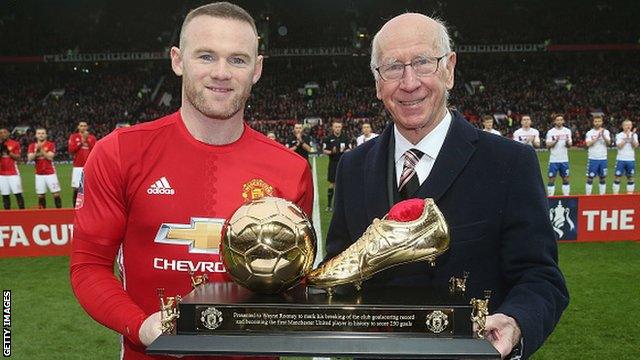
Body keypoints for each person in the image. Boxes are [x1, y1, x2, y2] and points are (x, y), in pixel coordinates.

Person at [70, 3, 313, 360]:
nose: (221, 72)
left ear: (257, 69)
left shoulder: (291, 169)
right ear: (177, 60)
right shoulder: (119, 152)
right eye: (205, 56)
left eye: (238, 60)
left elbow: (296, 283)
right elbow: (88, 266)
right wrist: (141, 326)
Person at [323, 13, 568, 359]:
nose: (409, 83)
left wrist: (515, 323)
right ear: (378, 83)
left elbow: (541, 277)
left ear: (449, 69)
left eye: (423, 63)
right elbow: (340, 271)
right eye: (393, 67)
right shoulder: (353, 167)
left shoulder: (509, 163)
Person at [27, 128, 62, 208]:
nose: (41, 135)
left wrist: (41, 149)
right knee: (40, 195)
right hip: (39, 174)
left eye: (43, 133)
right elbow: (30, 158)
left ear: (46, 135)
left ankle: (59, 213)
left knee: (56, 194)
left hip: (50, 173)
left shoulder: (51, 144)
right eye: (39, 133)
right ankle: (42, 215)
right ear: (36, 135)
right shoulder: (32, 146)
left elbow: (50, 157)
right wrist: (37, 152)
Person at [68, 121, 97, 206]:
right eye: (81, 126)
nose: (83, 127)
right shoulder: (74, 137)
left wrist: (87, 140)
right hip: (77, 166)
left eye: (85, 126)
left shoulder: (92, 138)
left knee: (90, 188)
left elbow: (95, 151)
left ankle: (89, 207)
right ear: (78, 127)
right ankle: (75, 209)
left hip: (90, 166)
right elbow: (71, 150)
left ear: (87, 127)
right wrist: (82, 141)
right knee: (76, 188)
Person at [322, 120, 350, 211]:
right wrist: (331, 152)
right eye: (336, 127)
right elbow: (324, 150)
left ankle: (340, 205)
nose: (337, 128)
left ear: (341, 127)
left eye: (339, 126)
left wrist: (346, 151)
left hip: (344, 163)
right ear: (333, 128)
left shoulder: (345, 138)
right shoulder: (328, 138)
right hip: (333, 163)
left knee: (343, 184)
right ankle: (329, 205)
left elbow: (350, 148)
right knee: (332, 184)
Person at [545, 115, 573, 196]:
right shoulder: (550, 132)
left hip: (564, 160)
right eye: (557, 120)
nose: (559, 121)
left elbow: (569, 145)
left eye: (561, 120)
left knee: (566, 179)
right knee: (551, 179)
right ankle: (550, 197)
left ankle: (566, 197)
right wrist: (555, 141)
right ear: (554, 121)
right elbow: (547, 145)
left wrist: (568, 142)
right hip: (553, 160)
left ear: (563, 121)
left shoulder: (567, 131)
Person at [584, 115, 611, 195]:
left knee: (602, 178)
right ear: (593, 122)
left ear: (602, 122)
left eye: (599, 121)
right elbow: (588, 144)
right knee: (590, 178)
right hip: (593, 158)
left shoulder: (606, 132)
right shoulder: (589, 132)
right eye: (596, 121)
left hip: (603, 158)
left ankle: (602, 196)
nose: (597, 123)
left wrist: (603, 136)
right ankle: (588, 196)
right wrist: (597, 138)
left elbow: (609, 143)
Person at [0, 127, 25, 209]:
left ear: (8, 133)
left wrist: (8, 152)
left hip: (13, 173)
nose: (3, 134)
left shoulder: (15, 143)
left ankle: (23, 215)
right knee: (5, 195)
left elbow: (18, 158)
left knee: (18, 194)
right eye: (1, 133)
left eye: (5, 132)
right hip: (1, 174)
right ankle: (8, 217)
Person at [613, 119, 638, 194]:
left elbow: (636, 145)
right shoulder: (619, 135)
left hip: (630, 159)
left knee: (630, 177)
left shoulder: (634, 135)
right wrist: (627, 137)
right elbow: (619, 146)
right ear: (623, 126)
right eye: (626, 125)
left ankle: (629, 196)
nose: (628, 127)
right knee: (617, 177)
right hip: (620, 159)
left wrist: (632, 137)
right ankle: (615, 195)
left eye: (630, 125)